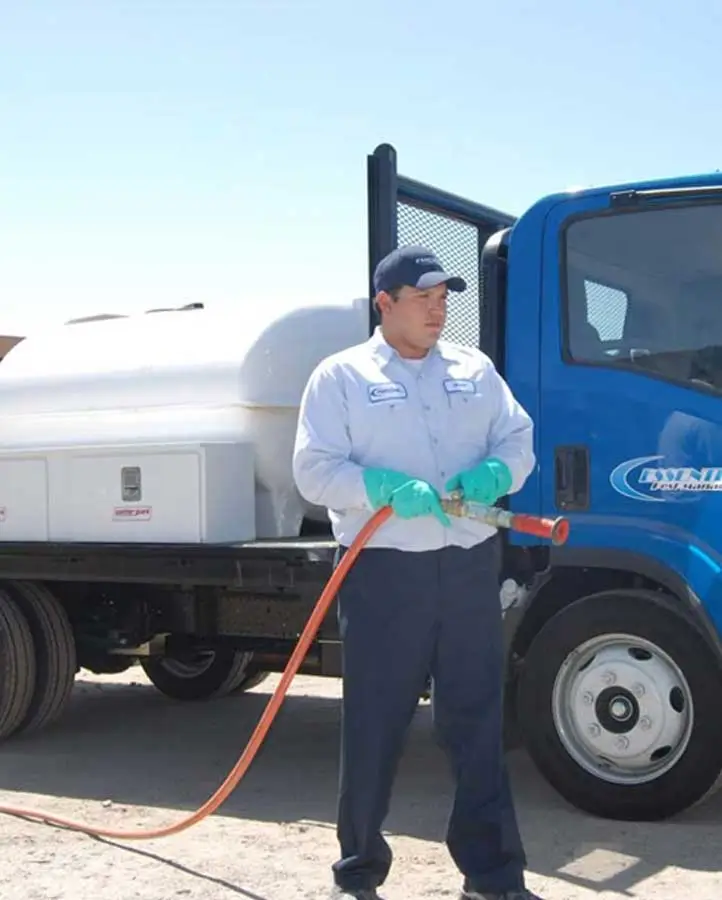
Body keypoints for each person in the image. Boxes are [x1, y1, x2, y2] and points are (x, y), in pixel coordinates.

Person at [292, 244, 541, 900]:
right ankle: (358, 875)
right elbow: (313, 469)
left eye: (444, 297)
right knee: (375, 723)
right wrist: (377, 486)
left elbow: (519, 442)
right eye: (424, 296)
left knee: (477, 723)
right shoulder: (340, 377)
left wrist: (495, 473)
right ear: (385, 303)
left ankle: (494, 876)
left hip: (466, 566)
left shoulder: (474, 370)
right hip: (383, 575)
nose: (439, 308)